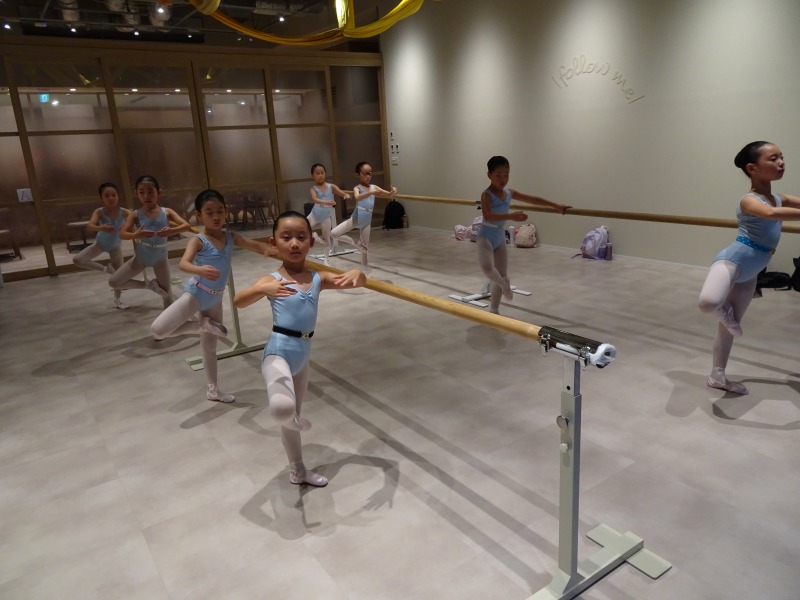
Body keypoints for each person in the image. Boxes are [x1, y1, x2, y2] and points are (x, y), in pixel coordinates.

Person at [234, 210, 367, 487]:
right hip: (278, 353)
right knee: (283, 410)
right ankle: (293, 421)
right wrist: (263, 290)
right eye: (286, 237)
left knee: (290, 414)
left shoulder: (318, 278)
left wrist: (358, 272)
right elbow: (238, 301)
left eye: (301, 237)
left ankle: (298, 470)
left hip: (303, 357)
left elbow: (357, 281)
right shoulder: (272, 279)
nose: (294, 243)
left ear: (311, 242)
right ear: (274, 243)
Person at [150, 189, 276, 403]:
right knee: (158, 330)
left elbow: (252, 244)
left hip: (216, 298)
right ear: (199, 215)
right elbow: (183, 264)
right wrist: (199, 269)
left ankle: (213, 390)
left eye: (220, 211)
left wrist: (268, 248)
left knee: (210, 347)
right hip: (197, 293)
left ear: (226, 211)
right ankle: (201, 325)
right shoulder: (198, 240)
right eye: (209, 213)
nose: (216, 216)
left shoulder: (230, 237)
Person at [698, 141, 800, 395]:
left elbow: (783, 206)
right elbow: (771, 214)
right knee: (708, 303)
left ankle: (717, 376)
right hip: (733, 260)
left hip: (753, 270)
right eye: (773, 158)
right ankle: (727, 317)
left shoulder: (780, 197)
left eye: (781, 157)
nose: (781, 162)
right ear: (752, 168)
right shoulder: (748, 200)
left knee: (728, 329)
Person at [478, 155, 570, 314]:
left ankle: (494, 310)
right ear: (489, 175)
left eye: (506, 174)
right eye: (498, 175)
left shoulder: (509, 193)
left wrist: (556, 206)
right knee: (487, 268)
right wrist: (511, 216)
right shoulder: (486, 194)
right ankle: (504, 285)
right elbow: (487, 215)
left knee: (502, 273)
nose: (503, 179)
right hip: (486, 235)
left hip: (499, 236)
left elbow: (532, 199)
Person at [109, 175, 191, 307]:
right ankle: (149, 286)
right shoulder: (135, 214)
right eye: (142, 192)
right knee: (114, 282)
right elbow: (122, 234)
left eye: (150, 192)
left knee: (167, 295)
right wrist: (136, 234)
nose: (146, 196)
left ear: (159, 192)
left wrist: (171, 231)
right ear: (136, 194)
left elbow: (186, 225)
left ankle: (167, 319)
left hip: (160, 259)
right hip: (141, 258)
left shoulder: (167, 212)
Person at [73, 182, 131, 309]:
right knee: (77, 260)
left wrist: (126, 226)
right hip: (100, 244)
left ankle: (118, 301)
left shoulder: (123, 212)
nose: (111, 198)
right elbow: (90, 226)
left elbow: (135, 218)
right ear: (101, 198)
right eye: (107, 196)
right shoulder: (99, 212)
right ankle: (106, 269)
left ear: (118, 196)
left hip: (115, 247)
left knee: (119, 276)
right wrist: (101, 227)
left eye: (113, 195)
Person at [329, 161, 397, 266]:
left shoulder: (374, 187)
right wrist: (370, 193)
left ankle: (365, 272)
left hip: (366, 221)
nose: (368, 176)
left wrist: (393, 191)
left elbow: (388, 195)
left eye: (370, 173)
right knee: (333, 233)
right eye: (365, 173)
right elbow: (357, 197)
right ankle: (355, 242)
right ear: (358, 175)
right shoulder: (357, 188)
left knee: (364, 251)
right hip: (355, 218)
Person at [307, 163, 351, 265]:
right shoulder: (313, 189)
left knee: (327, 240)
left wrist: (346, 195)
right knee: (304, 228)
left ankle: (326, 260)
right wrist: (327, 202)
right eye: (317, 173)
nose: (320, 175)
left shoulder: (331, 187)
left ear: (325, 174)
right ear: (313, 175)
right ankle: (315, 236)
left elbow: (342, 193)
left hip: (326, 217)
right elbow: (315, 199)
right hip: (314, 215)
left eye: (322, 173)